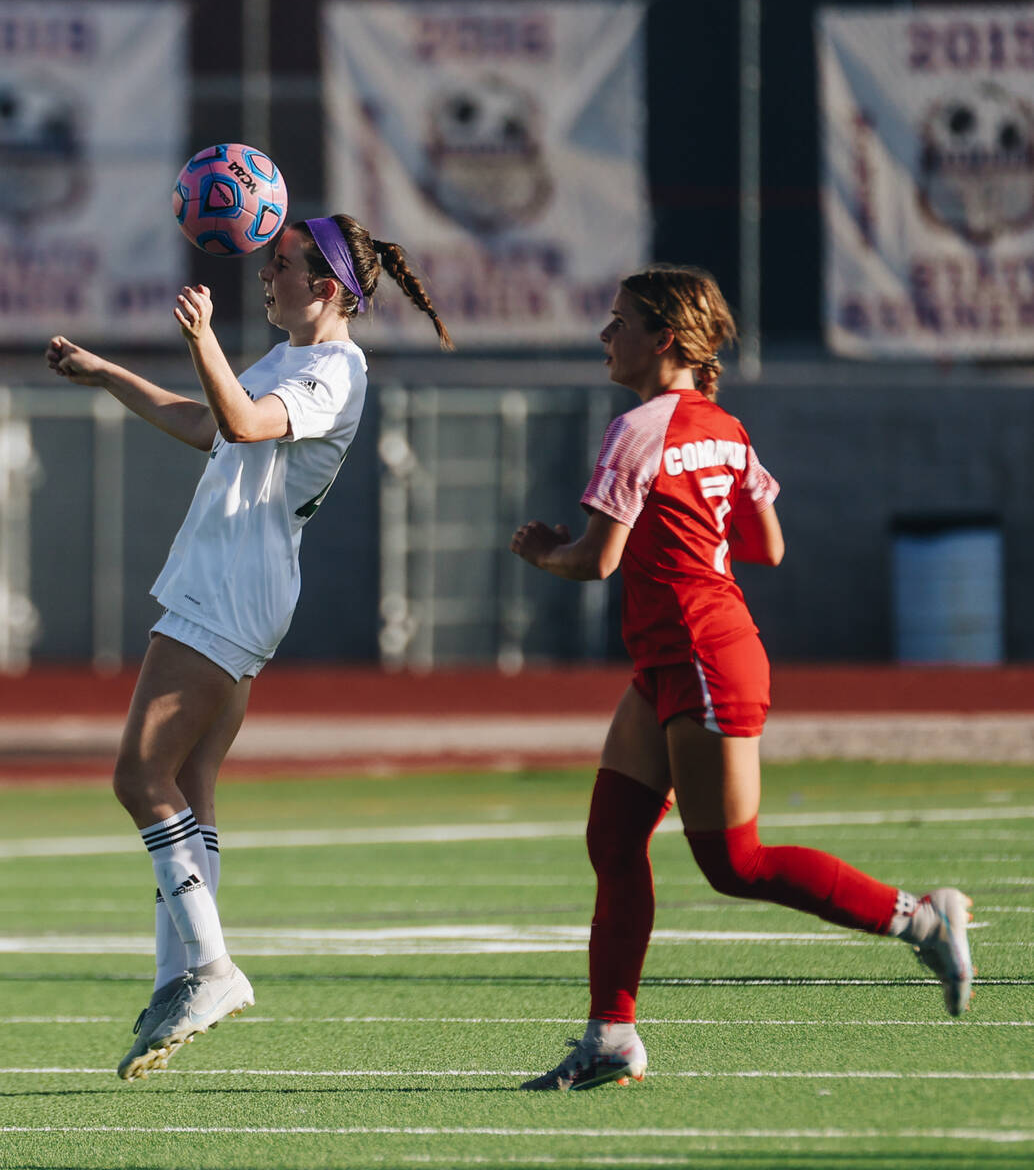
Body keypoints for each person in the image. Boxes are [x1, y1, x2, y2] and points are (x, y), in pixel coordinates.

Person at [510, 264, 973, 1092]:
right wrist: (691, 540)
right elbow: (768, 543)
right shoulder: (724, 425)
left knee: (736, 863)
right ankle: (612, 1037)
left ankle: (920, 917)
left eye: (618, 321)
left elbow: (595, 561)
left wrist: (542, 551)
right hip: (678, 653)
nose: (604, 336)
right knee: (614, 840)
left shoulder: (638, 430)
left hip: (699, 653)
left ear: (666, 339)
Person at [46, 214, 451, 1082]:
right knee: (189, 786)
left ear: (330, 286)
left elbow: (240, 425)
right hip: (238, 582)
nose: (267, 276)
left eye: (283, 264)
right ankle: (177, 976)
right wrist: (106, 372)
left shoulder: (337, 370)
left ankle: (212, 968)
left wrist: (200, 340)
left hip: (230, 585)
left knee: (136, 779)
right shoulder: (292, 359)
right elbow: (206, 423)